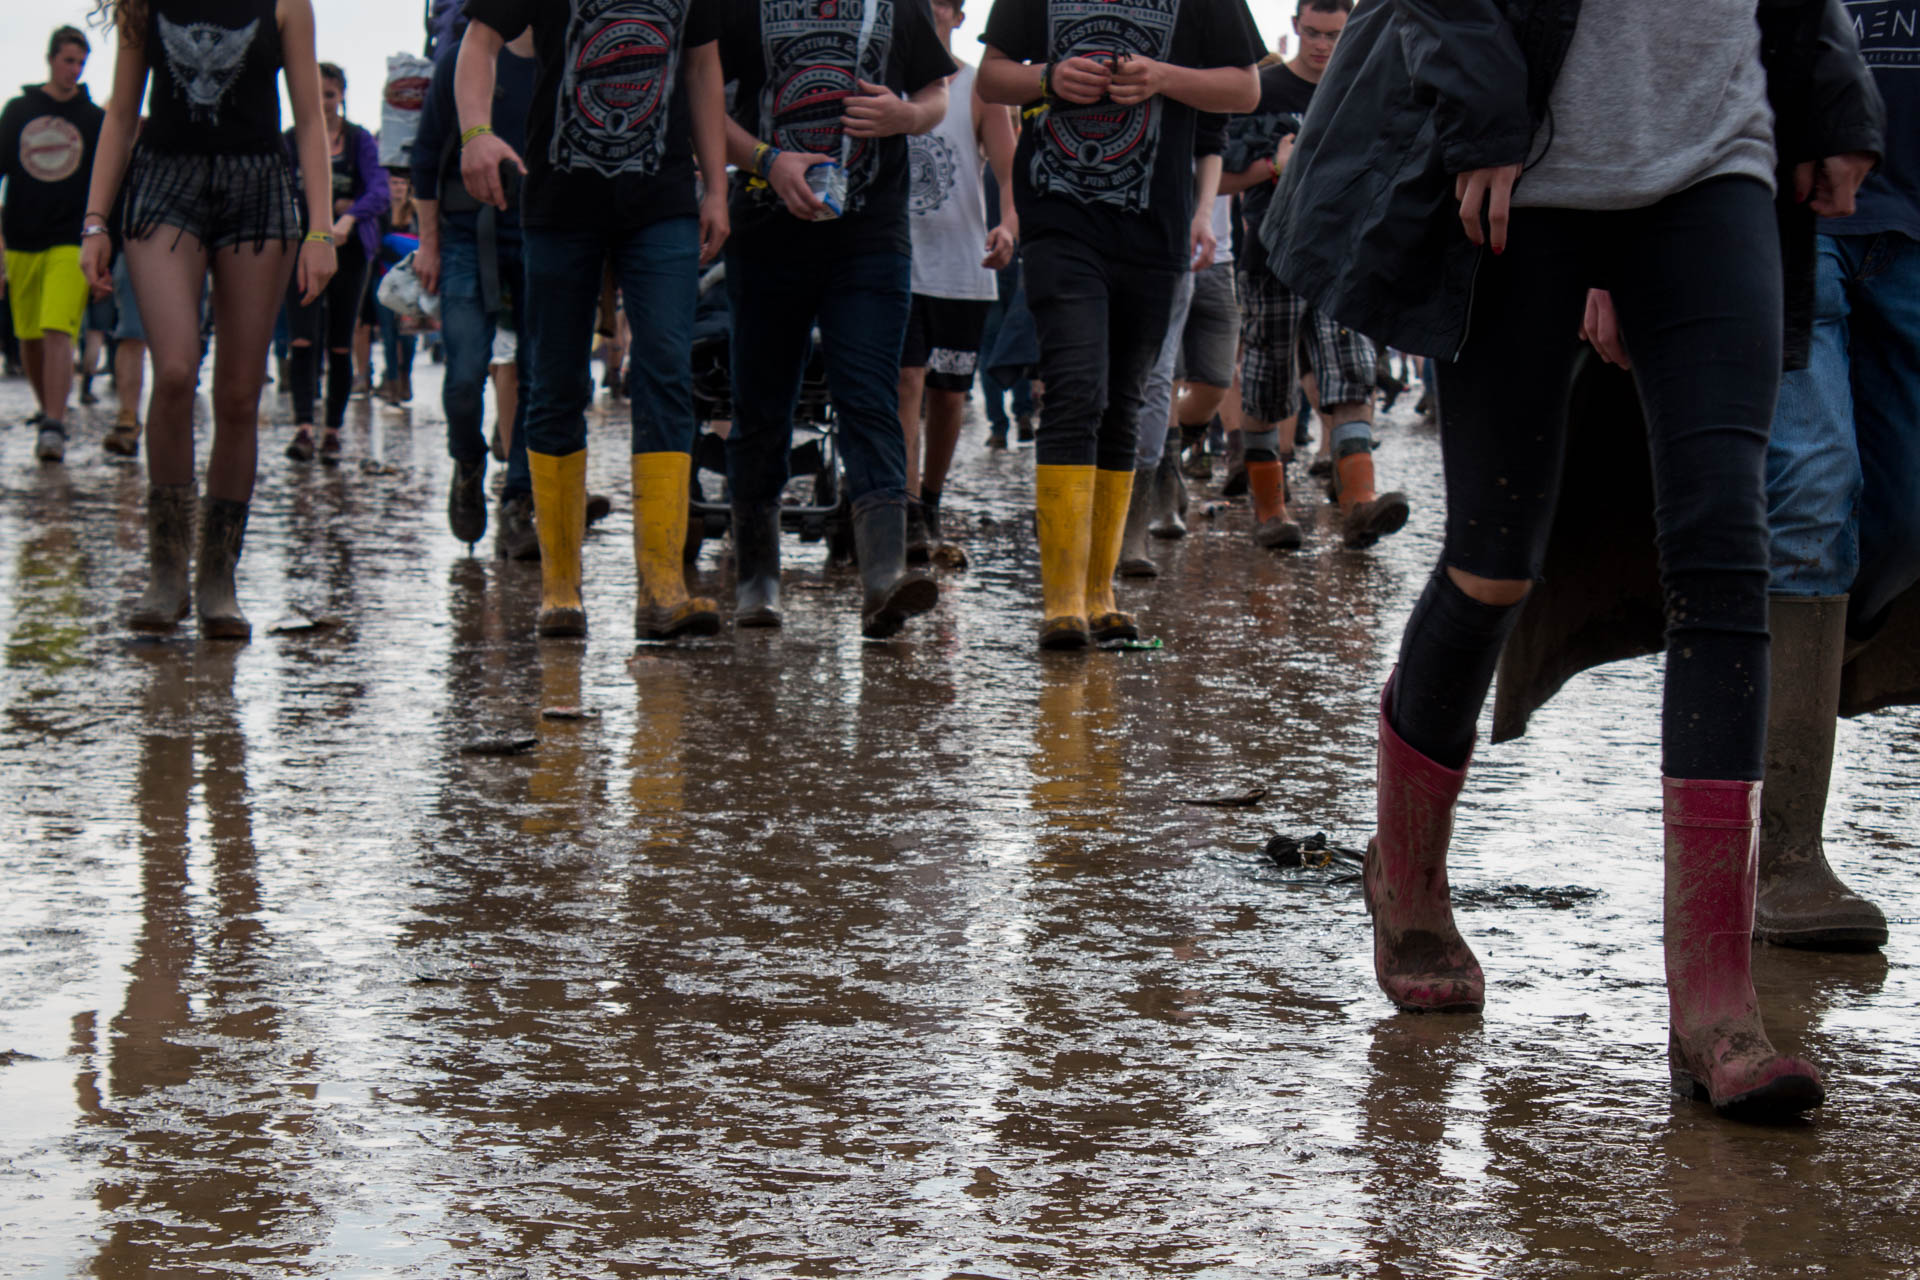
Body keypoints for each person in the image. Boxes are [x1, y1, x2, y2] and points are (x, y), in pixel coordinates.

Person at [1271, 0, 1881, 1118]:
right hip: (1524, 166)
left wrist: (1833, 95)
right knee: (1497, 558)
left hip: (1717, 162)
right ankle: (1405, 872)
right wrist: (1481, 118)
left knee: (1724, 554)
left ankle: (1717, 1002)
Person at [978, 0, 1264, 649]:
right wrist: (1049, 79)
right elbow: (990, 77)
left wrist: (1162, 77)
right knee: (1077, 387)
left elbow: (1245, 88)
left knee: (1124, 401)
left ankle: (1098, 592)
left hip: (1152, 231)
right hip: (1058, 222)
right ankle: (1061, 605)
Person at [458, 0, 729, 641]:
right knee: (554, 382)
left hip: (661, 202)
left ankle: (662, 586)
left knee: (665, 371)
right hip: (559, 200)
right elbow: (478, 41)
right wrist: (475, 132)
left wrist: (717, 187)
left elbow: (702, 68)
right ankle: (560, 590)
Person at [1747, 0, 1920, 952]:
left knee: (1898, 514)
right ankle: (1786, 859)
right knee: (1813, 488)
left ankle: (1800, 672)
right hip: (1790, 211)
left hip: (1914, 232)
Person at [83, 0, 338, 639]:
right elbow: (119, 112)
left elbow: (309, 121)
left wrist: (321, 229)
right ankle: (167, 569)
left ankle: (218, 575)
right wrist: (94, 220)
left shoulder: (287, 6)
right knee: (172, 370)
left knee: (239, 394)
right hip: (165, 185)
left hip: (259, 190)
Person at [717, 0, 955, 638]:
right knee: (762, 402)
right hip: (767, 227)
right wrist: (767, 160)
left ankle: (882, 577)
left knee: (869, 395)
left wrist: (908, 115)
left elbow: (938, 91)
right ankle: (758, 576)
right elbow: (703, 109)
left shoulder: (895, 6)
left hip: (870, 235)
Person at [1224, 0, 1408, 553]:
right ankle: (1271, 513)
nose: (1323, 45)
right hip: (1270, 259)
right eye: (1313, 33)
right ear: (1296, 27)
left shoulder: (1362, 88)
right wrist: (1275, 165)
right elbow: (1220, 180)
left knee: (1351, 376)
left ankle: (1359, 506)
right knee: (1265, 387)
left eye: (1333, 34)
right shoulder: (1263, 89)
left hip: (1341, 260)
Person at [897, 0, 1019, 564]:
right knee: (906, 381)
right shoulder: (886, 82)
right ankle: (898, 513)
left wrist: (1010, 225)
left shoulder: (977, 87)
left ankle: (929, 500)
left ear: (959, 16)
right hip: (895, 263)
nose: (930, 11)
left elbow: (1007, 169)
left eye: (942, 3)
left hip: (961, 268)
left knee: (948, 397)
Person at [410, 21, 535, 552]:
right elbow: (424, 158)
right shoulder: (464, 55)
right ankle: (468, 463)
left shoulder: (564, 52)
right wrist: (430, 243)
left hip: (543, 232)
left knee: (541, 377)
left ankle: (519, 503)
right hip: (466, 232)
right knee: (463, 378)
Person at [0, 26, 105, 463]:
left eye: (81, 63)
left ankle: (55, 424)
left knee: (57, 328)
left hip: (71, 239)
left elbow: (107, 183)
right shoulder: (19, 110)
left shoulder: (94, 118)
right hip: (22, 238)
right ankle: (48, 411)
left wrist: (101, 241)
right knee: (29, 338)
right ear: (50, 59)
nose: (74, 70)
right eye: (68, 61)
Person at [283, 61, 389, 465]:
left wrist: (346, 217)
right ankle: (303, 427)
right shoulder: (291, 140)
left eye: (329, 94)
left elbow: (379, 192)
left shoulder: (360, 140)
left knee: (341, 342)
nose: (323, 102)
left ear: (341, 95)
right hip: (299, 250)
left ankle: (333, 431)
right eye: (316, 93)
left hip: (348, 252)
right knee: (302, 339)